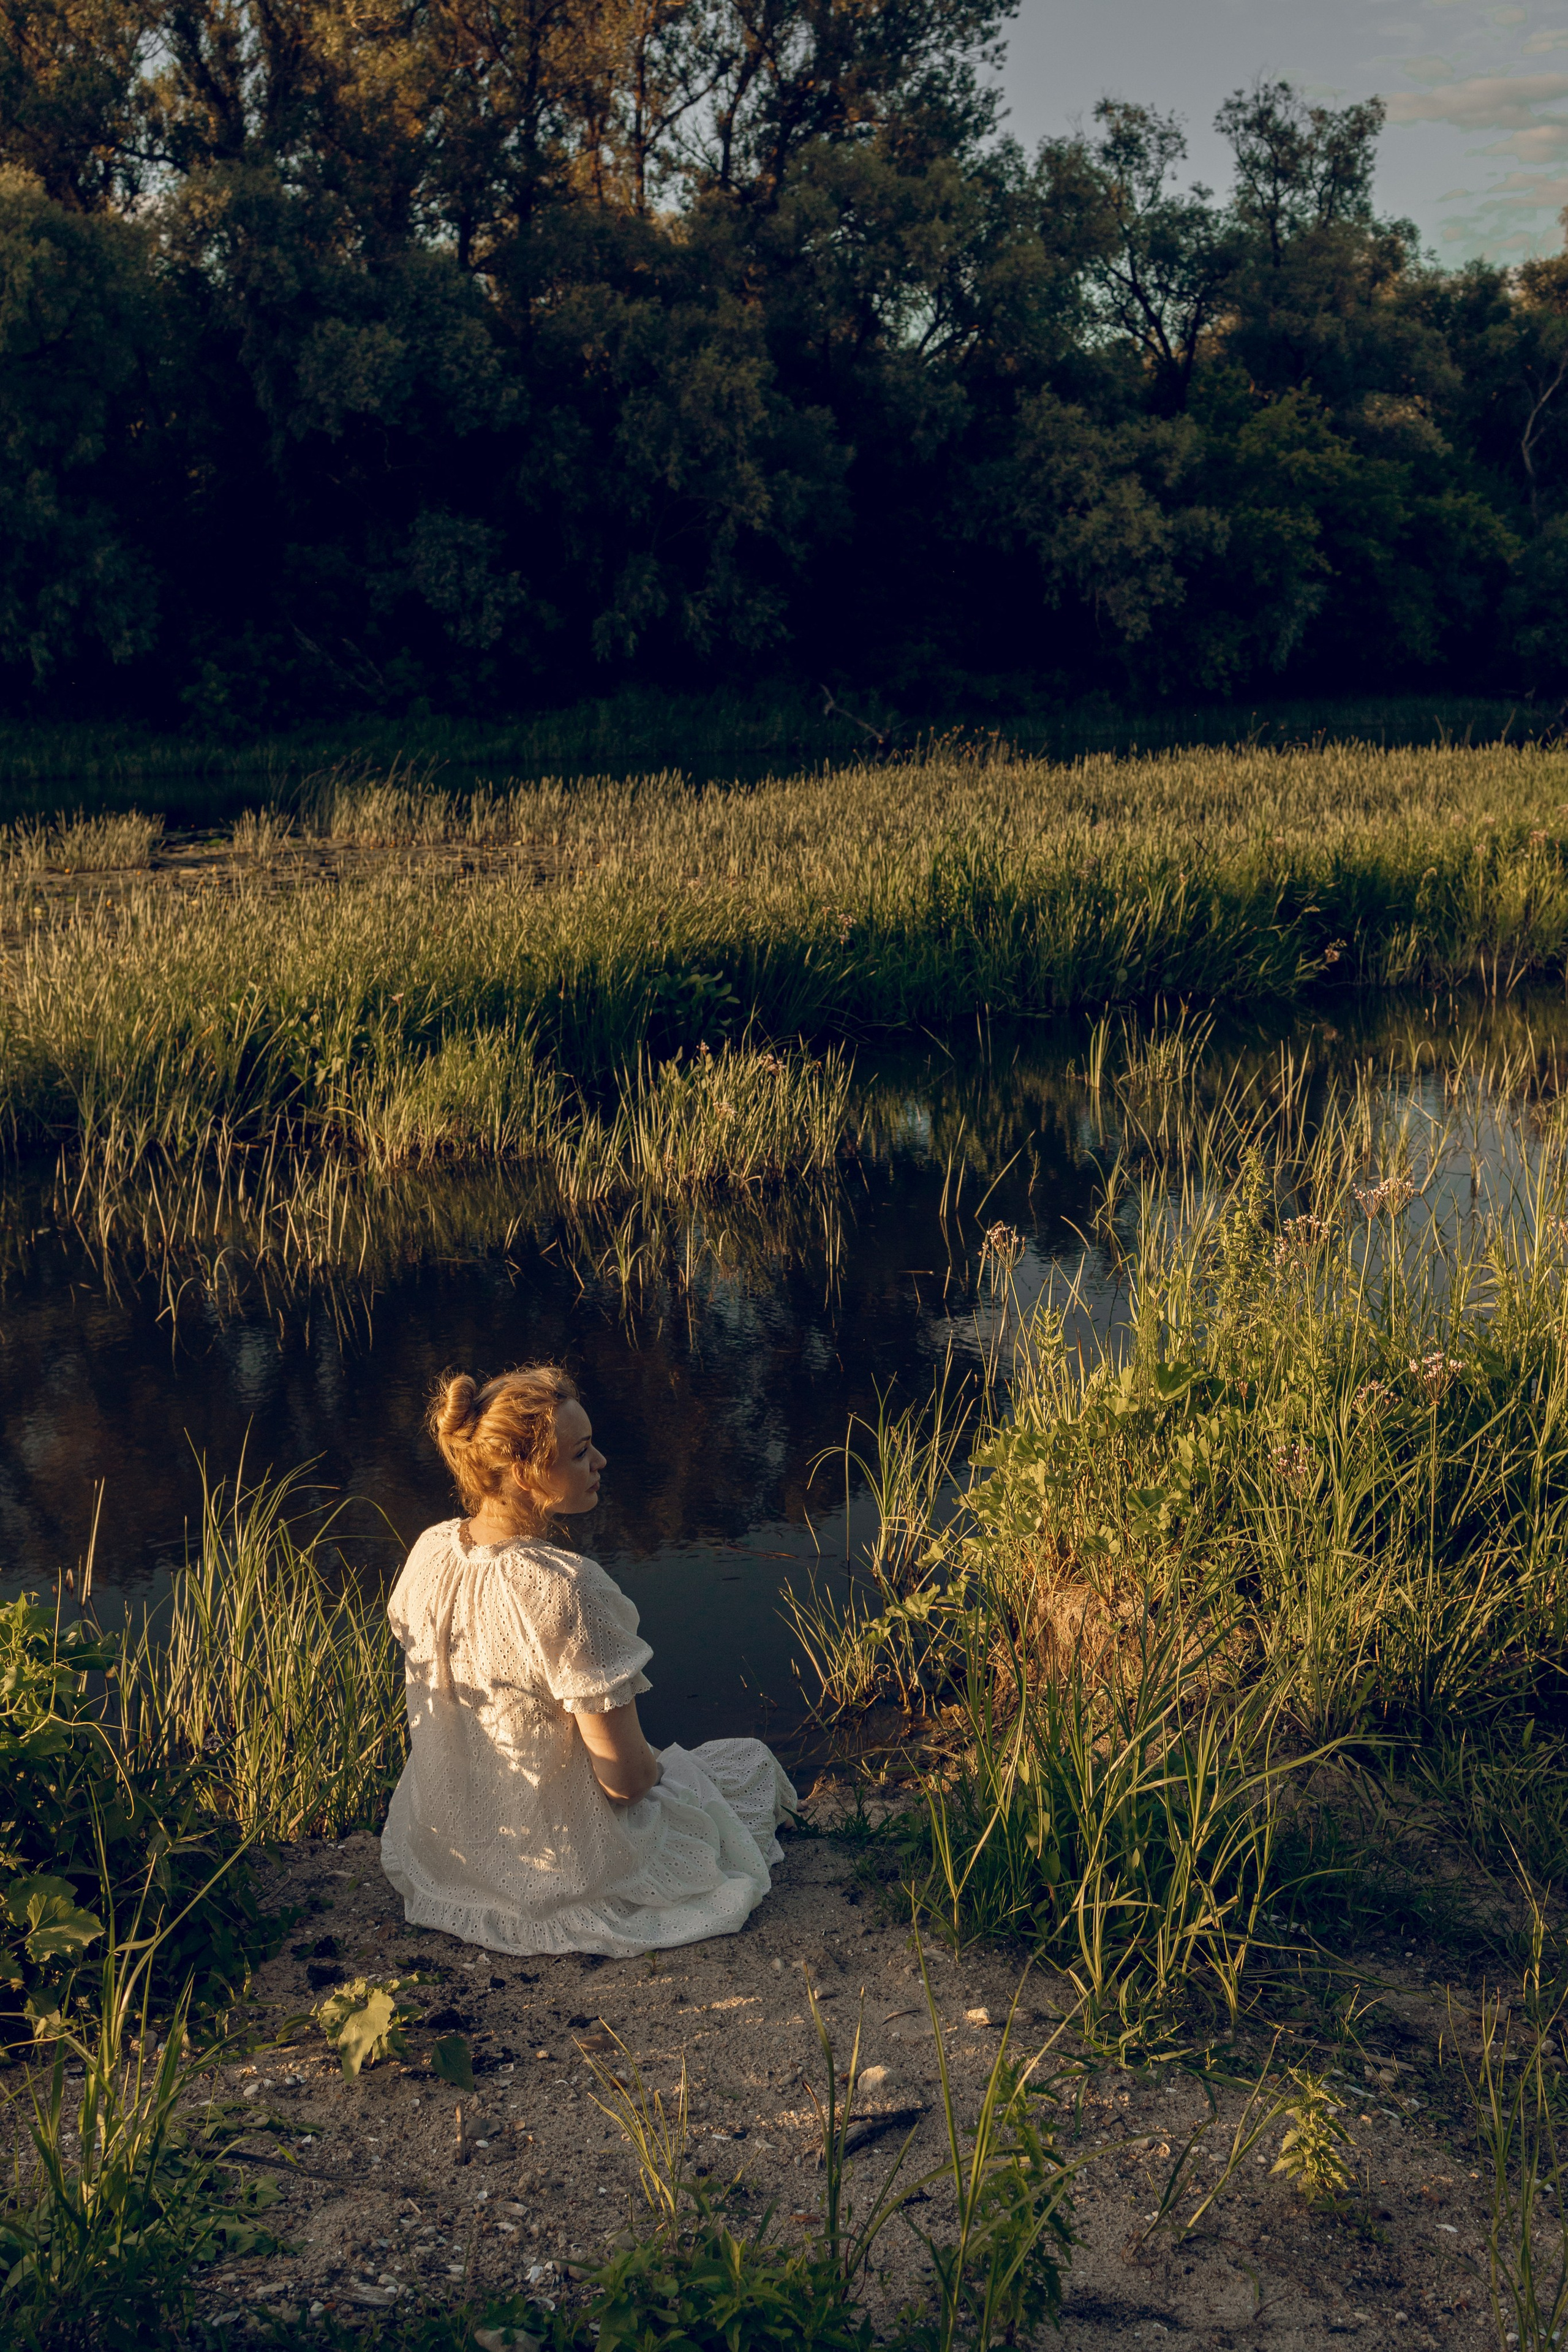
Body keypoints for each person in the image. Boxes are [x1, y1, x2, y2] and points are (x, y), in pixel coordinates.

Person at [379, 1363, 797, 1955]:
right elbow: (625, 1783)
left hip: (444, 1848)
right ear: (525, 1473)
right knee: (747, 1764)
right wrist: (658, 1773)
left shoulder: (430, 1549)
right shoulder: (566, 1590)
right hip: (562, 1868)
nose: (600, 1462)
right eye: (579, 1454)